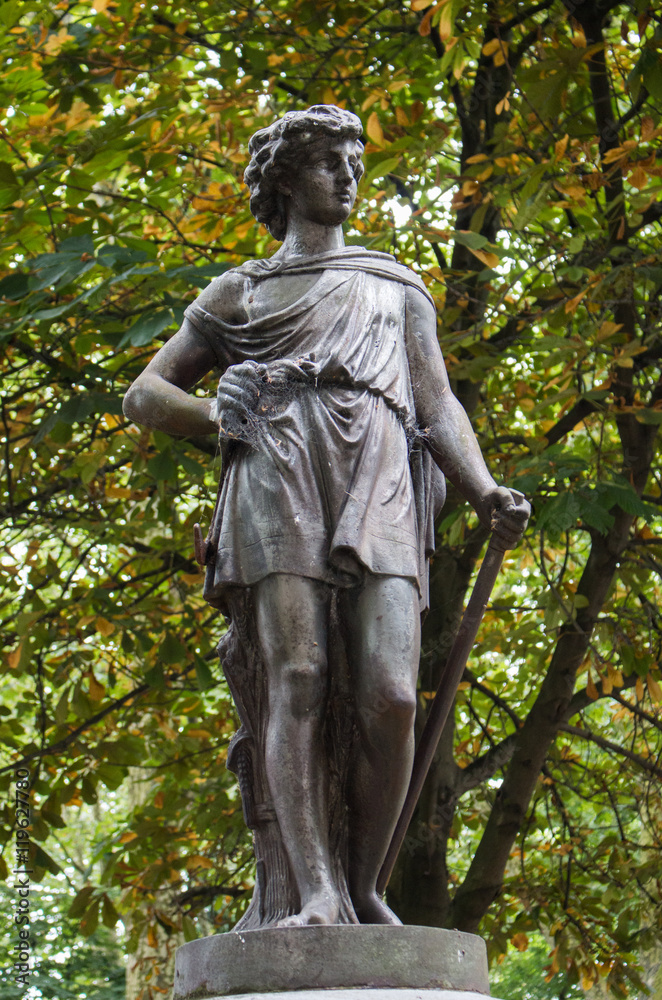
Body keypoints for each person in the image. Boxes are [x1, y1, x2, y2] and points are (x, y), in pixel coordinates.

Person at [123, 105, 529, 928]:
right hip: (275, 472)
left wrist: (483, 487)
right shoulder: (242, 289)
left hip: (377, 469)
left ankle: (366, 883)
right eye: (324, 162)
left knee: (391, 693)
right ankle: (314, 892)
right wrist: (214, 415)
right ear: (282, 179)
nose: (346, 175)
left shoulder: (393, 282)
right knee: (296, 679)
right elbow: (146, 394)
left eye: (353, 160)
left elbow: (435, 399)